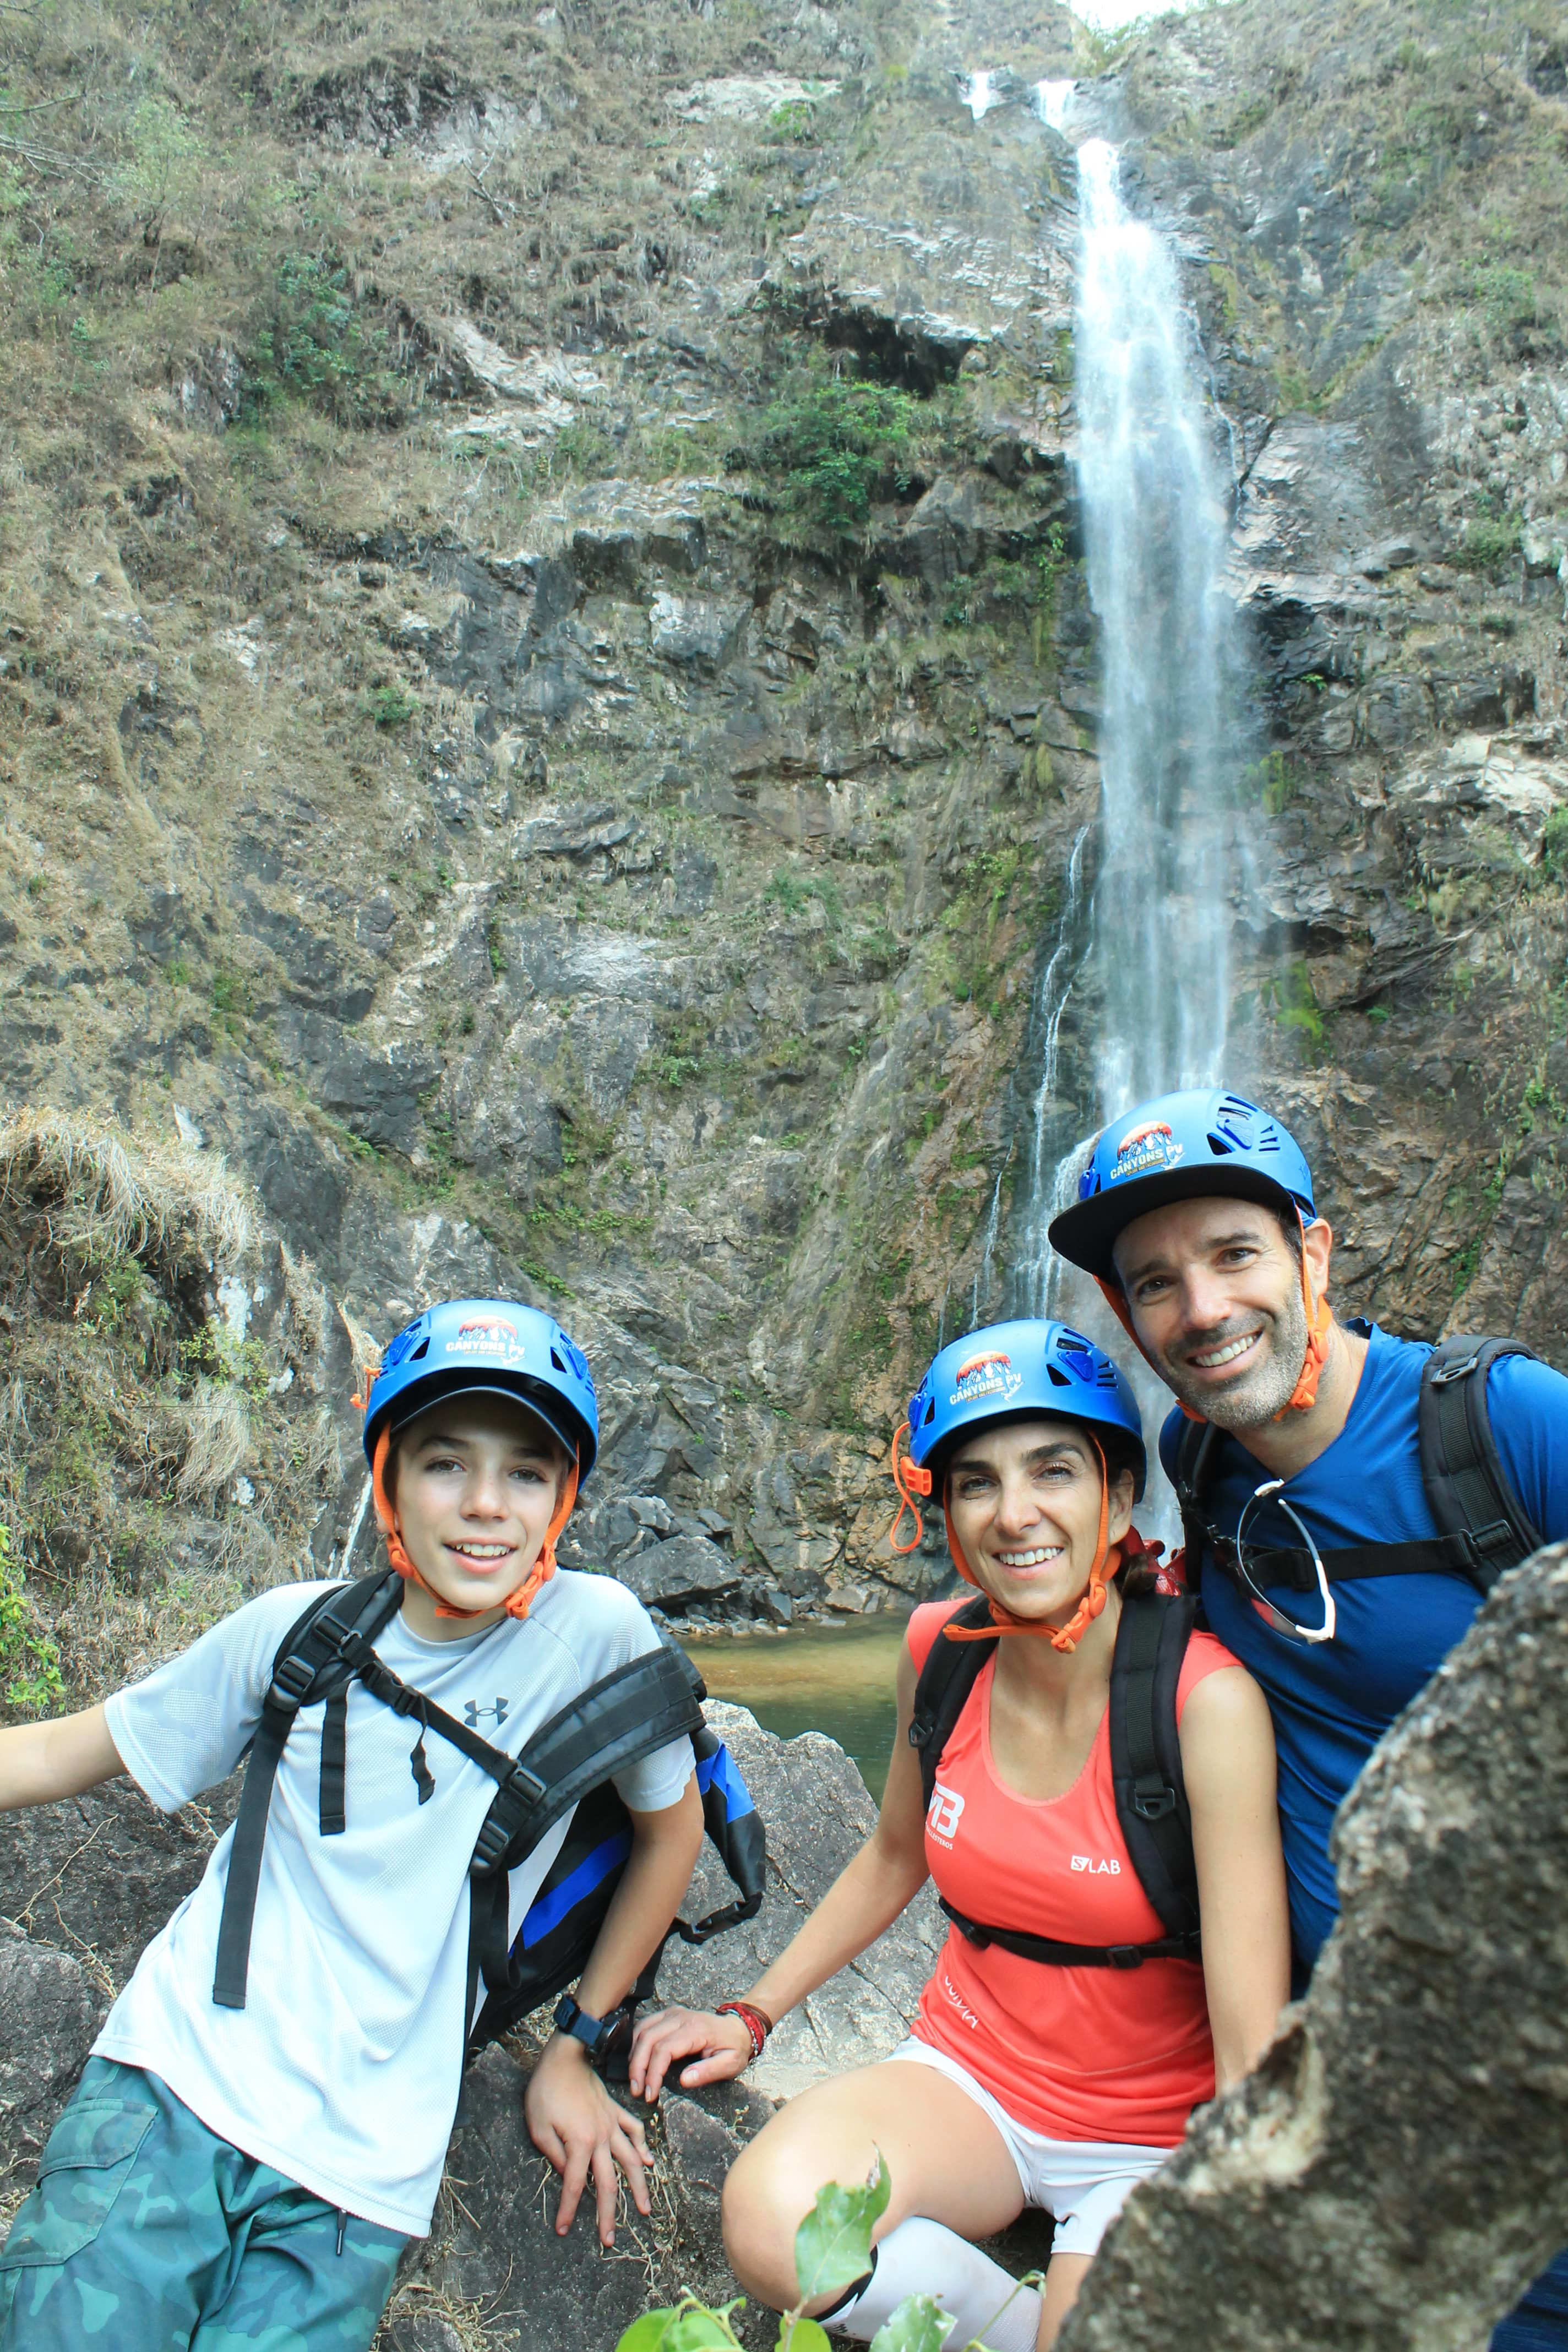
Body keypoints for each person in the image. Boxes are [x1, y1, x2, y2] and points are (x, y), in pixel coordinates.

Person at [0, 1298, 705, 2352]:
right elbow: (68, 1749)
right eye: (444, 1463)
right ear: (389, 1475)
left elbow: (672, 1831)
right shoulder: (299, 1631)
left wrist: (578, 2041)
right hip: (176, 2084)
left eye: (525, 1472)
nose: (484, 1506)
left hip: (360, 2173)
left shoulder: (599, 1636)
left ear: (564, 1497)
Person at [629, 1318, 1289, 2352]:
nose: (1014, 1514)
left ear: (1119, 1496)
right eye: (976, 1482)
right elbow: (894, 1853)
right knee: (774, 2227)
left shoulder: (1204, 1705)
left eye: (1053, 1471)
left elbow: (1252, 2043)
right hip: (970, 2081)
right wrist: (751, 2016)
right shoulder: (942, 1650)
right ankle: (1019, 2323)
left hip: (1153, 2138)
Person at [1047, 1084, 1568, 2352]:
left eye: (1233, 1255)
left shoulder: (1503, 1428)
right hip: (1347, 2090)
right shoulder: (1196, 1458)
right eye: (1154, 1284)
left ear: (1312, 1252)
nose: (1202, 1310)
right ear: (1123, 1316)